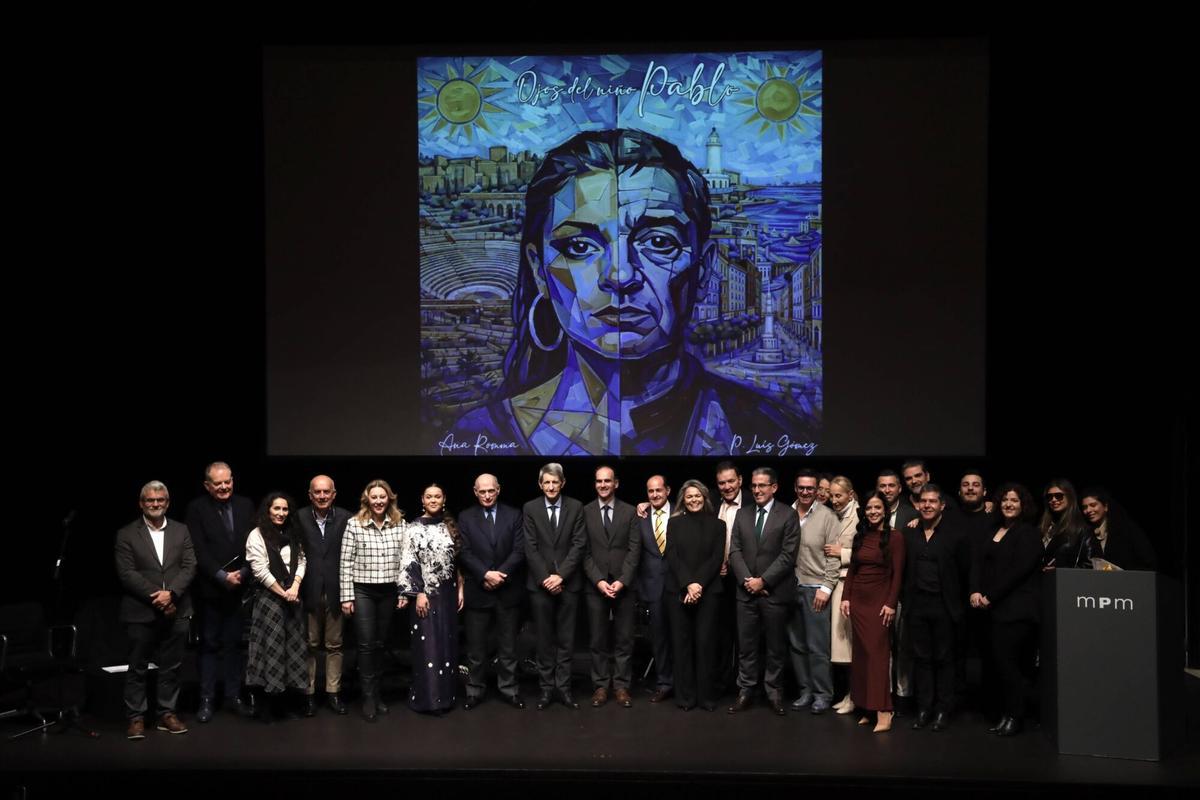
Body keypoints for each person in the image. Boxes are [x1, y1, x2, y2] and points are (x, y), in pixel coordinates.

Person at [450, 128, 814, 455]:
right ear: (539, 271)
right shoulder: (476, 439)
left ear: (703, 271)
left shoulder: (768, 430)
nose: (620, 275)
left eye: (658, 242)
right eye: (579, 247)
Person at [114, 481, 195, 739]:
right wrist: (157, 597)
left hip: (177, 608)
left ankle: (166, 713)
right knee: (137, 666)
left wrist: (170, 594)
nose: (156, 504)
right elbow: (127, 574)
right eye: (150, 500)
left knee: (171, 667)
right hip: (141, 611)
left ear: (167, 503)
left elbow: (189, 566)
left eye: (160, 500)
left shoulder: (181, 531)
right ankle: (136, 717)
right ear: (142, 503)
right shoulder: (126, 534)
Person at [970, 483, 1043, 736]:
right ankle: (1003, 713)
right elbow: (977, 562)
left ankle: (1015, 716)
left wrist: (991, 596)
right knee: (996, 664)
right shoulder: (993, 530)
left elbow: (1018, 572)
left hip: (1017, 610)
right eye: (1005, 500)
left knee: (1010, 665)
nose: (1009, 504)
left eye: (1015, 500)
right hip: (992, 610)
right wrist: (975, 590)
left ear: (1023, 505)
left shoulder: (1029, 534)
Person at [185, 461, 255, 723]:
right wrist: (222, 575)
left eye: (228, 481)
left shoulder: (246, 505)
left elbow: (254, 543)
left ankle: (234, 697)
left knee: (235, 646)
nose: (224, 487)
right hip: (210, 590)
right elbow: (197, 549)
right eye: (218, 483)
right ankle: (206, 700)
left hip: (240, 589)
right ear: (207, 485)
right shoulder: (196, 508)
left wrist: (244, 573)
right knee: (209, 645)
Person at [728, 467, 800, 715]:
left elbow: (788, 555)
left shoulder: (788, 515)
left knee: (775, 647)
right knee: (746, 646)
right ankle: (745, 691)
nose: (757, 490)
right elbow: (734, 550)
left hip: (775, 593)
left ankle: (774, 693)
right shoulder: (742, 514)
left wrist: (764, 582)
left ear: (774, 487)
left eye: (762, 486)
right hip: (745, 592)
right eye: (754, 486)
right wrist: (748, 580)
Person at [458, 473, 526, 709]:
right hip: (479, 589)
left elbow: (519, 550)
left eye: (491, 491)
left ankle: (509, 689)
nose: (487, 495)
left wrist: (499, 576)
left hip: (507, 591)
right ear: (475, 492)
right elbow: (464, 552)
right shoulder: (465, 517)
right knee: (476, 649)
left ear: (498, 490)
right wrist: (485, 574)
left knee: (508, 647)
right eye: (482, 491)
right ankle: (475, 690)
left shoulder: (514, 514)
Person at [900, 485, 965, 732]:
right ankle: (924, 708)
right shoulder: (910, 534)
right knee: (922, 660)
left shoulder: (954, 535)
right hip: (917, 606)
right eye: (923, 502)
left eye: (932, 501)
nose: (927, 505)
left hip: (944, 606)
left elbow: (963, 571)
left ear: (942, 505)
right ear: (917, 505)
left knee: (944, 660)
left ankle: (942, 710)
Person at [339, 480, 406, 722]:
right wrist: (346, 597)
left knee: (380, 644)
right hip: (363, 591)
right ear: (367, 500)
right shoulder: (354, 524)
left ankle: (378, 694)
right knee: (366, 644)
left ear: (390, 499)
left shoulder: (400, 524)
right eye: (374, 497)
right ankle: (367, 697)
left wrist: (402, 592)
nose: (378, 501)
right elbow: (345, 563)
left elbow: (404, 563)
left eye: (383, 497)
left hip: (388, 592)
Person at [840, 491, 906, 733]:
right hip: (858, 601)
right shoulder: (861, 535)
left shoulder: (895, 538)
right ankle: (867, 706)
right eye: (869, 508)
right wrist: (846, 598)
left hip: (879, 604)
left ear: (885, 510)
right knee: (862, 657)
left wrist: (890, 603)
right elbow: (852, 571)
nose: (873, 512)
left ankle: (884, 710)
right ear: (864, 511)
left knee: (877, 656)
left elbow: (897, 574)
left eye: (878, 507)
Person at [523, 463, 587, 710]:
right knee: (544, 640)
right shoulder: (530, 508)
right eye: (546, 482)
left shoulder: (576, 507)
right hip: (540, 586)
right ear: (540, 484)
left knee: (567, 640)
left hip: (568, 585)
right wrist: (546, 579)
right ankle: (546, 690)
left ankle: (564, 689)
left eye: (555, 482)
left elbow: (579, 545)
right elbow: (530, 547)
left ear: (563, 483)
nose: (551, 487)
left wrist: (560, 576)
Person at [399, 484, 463, 715]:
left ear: (443, 499)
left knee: (446, 645)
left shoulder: (449, 525)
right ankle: (429, 699)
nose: (433, 500)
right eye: (429, 497)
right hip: (426, 594)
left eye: (437, 496)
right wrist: (419, 593)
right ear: (422, 500)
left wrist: (461, 588)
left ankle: (446, 697)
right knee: (429, 646)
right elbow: (409, 563)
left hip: (447, 594)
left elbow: (456, 563)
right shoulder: (413, 528)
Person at [244, 492, 308, 720]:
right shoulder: (257, 535)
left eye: (284, 509)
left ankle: (288, 702)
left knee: (292, 648)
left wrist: (295, 588)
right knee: (270, 648)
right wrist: (283, 593)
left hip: (292, 597)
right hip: (270, 599)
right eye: (276, 509)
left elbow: (301, 560)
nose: (281, 513)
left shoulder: (292, 533)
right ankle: (268, 705)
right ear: (267, 510)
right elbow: (259, 570)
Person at [581, 466, 640, 708]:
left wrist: (622, 580)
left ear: (616, 483)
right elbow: (582, 552)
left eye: (608, 481)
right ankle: (601, 686)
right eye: (599, 481)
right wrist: (599, 580)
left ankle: (622, 686)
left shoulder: (630, 512)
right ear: (595, 484)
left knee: (624, 639)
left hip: (623, 585)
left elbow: (635, 549)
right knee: (598, 639)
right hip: (596, 585)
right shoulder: (584, 512)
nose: (603, 485)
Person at [664, 480, 725, 711]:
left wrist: (698, 584)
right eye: (689, 496)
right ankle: (686, 698)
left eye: (697, 495)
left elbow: (716, 558)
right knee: (681, 646)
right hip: (679, 591)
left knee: (706, 645)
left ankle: (706, 698)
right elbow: (672, 555)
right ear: (683, 499)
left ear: (705, 497)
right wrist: (688, 584)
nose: (693, 500)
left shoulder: (718, 525)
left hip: (708, 592)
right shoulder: (674, 523)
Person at [295, 475, 351, 716]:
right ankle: (308, 695)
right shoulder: (298, 518)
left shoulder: (347, 518)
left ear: (334, 494)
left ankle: (333, 693)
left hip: (336, 591)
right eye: (317, 492)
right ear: (310, 495)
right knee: (308, 645)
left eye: (326, 492)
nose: (321, 496)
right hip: (307, 591)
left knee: (334, 645)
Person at [787, 469, 841, 714]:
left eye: (811, 488)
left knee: (818, 646)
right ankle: (805, 690)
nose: (806, 492)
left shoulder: (828, 516)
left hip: (815, 590)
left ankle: (822, 694)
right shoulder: (786, 512)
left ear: (817, 490)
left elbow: (833, 557)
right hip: (789, 589)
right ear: (795, 488)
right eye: (802, 488)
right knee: (796, 645)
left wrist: (826, 587)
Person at [637, 474, 675, 703]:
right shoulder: (640, 516)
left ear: (668, 490)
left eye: (658, 490)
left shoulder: (682, 512)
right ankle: (665, 682)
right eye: (650, 491)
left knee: (681, 637)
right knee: (659, 638)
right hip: (652, 587)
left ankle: (684, 681)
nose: (655, 495)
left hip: (679, 586)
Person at [824, 475, 859, 714]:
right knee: (841, 647)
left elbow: (872, 550)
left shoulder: (860, 515)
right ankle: (847, 694)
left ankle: (855, 695)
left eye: (839, 495)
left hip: (853, 584)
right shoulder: (830, 514)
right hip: (834, 584)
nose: (835, 500)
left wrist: (843, 552)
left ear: (851, 495)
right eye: (832, 495)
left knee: (853, 645)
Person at [1079, 487, 1157, 571]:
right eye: (1084, 507)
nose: (1088, 510)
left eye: (1093, 505)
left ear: (1105, 506)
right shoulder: (1086, 535)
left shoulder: (1126, 528)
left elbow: (1148, 561)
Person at [1039, 479, 1099, 570]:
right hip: (1042, 581)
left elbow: (1091, 565)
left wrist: (1061, 570)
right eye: (1049, 497)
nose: (1053, 500)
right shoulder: (1042, 528)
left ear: (1069, 497)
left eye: (1059, 496)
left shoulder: (1081, 530)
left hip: (1066, 582)